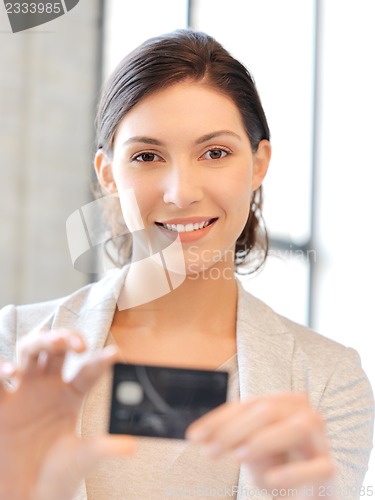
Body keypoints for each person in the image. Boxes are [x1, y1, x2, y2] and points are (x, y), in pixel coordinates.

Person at [0, 29, 373, 500]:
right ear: (109, 175)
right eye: (147, 156)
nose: (181, 192)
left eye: (215, 153)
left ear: (259, 164)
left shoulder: (329, 383)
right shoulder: (12, 347)